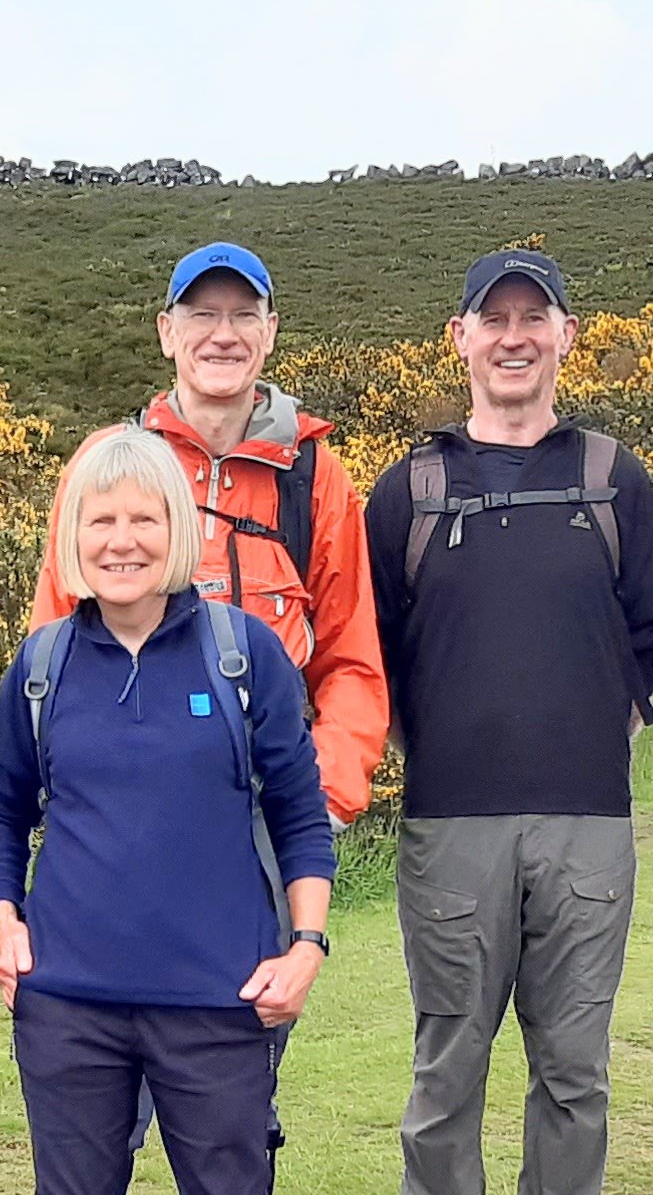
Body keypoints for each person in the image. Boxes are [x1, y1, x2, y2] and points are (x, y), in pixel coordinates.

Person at [0, 424, 339, 1195]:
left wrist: (308, 944)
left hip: (219, 1005)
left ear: (178, 531)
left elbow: (299, 811)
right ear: (73, 539)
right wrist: (4, 922)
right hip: (71, 1009)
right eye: (101, 521)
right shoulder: (41, 668)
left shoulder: (243, 658)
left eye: (143, 519)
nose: (122, 540)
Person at [362, 250, 653, 1195]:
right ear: (458, 339)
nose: (511, 336)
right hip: (452, 824)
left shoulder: (613, 477)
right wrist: (423, 744)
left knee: (575, 1069)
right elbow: (376, 651)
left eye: (531, 319)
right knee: (449, 1062)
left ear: (564, 335)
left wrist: (605, 730)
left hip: (589, 825)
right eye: (491, 319)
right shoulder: (408, 488)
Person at [31, 242, 387, 826]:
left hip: (268, 822)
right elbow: (51, 649)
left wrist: (320, 800)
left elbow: (351, 660)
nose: (224, 335)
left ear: (269, 332)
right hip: (120, 815)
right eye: (202, 315)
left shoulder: (314, 478)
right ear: (167, 332)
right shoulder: (103, 464)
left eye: (244, 315)